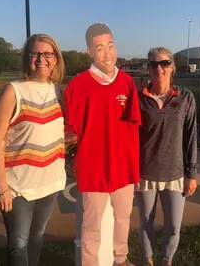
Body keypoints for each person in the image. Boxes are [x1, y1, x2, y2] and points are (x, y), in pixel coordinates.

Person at [64, 23, 141, 266]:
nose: (107, 53)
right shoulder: (78, 85)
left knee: (123, 218)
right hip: (93, 168)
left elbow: (135, 125)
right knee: (91, 226)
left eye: (110, 45)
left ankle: (121, 259)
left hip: (122, 166)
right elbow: (69, 131)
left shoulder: (127, 83)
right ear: (89, 52)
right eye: (99, 48)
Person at [0, 34, 66, 266]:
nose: (41, 59)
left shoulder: (58, 91)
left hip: (50, 182)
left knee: (37, 238)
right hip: (18, 187)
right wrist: (2, 186)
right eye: (35, 53)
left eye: (47, 54)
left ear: (56, 59)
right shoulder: (13, 91)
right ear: (27, 58)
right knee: (19, 244)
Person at [135, 47, 197, 266]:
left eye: (164, 63)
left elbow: (191, 137)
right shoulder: (138, 98)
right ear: (148, 68)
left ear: (172, 66)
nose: (159, 68)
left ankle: (166, 261)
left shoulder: (185, 97)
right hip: (145, 173)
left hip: (175, 174)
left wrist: (192, 173)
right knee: (145, 223)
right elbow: (130, 138)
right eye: (154, 64)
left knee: (173, 227)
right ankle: (148, 260)